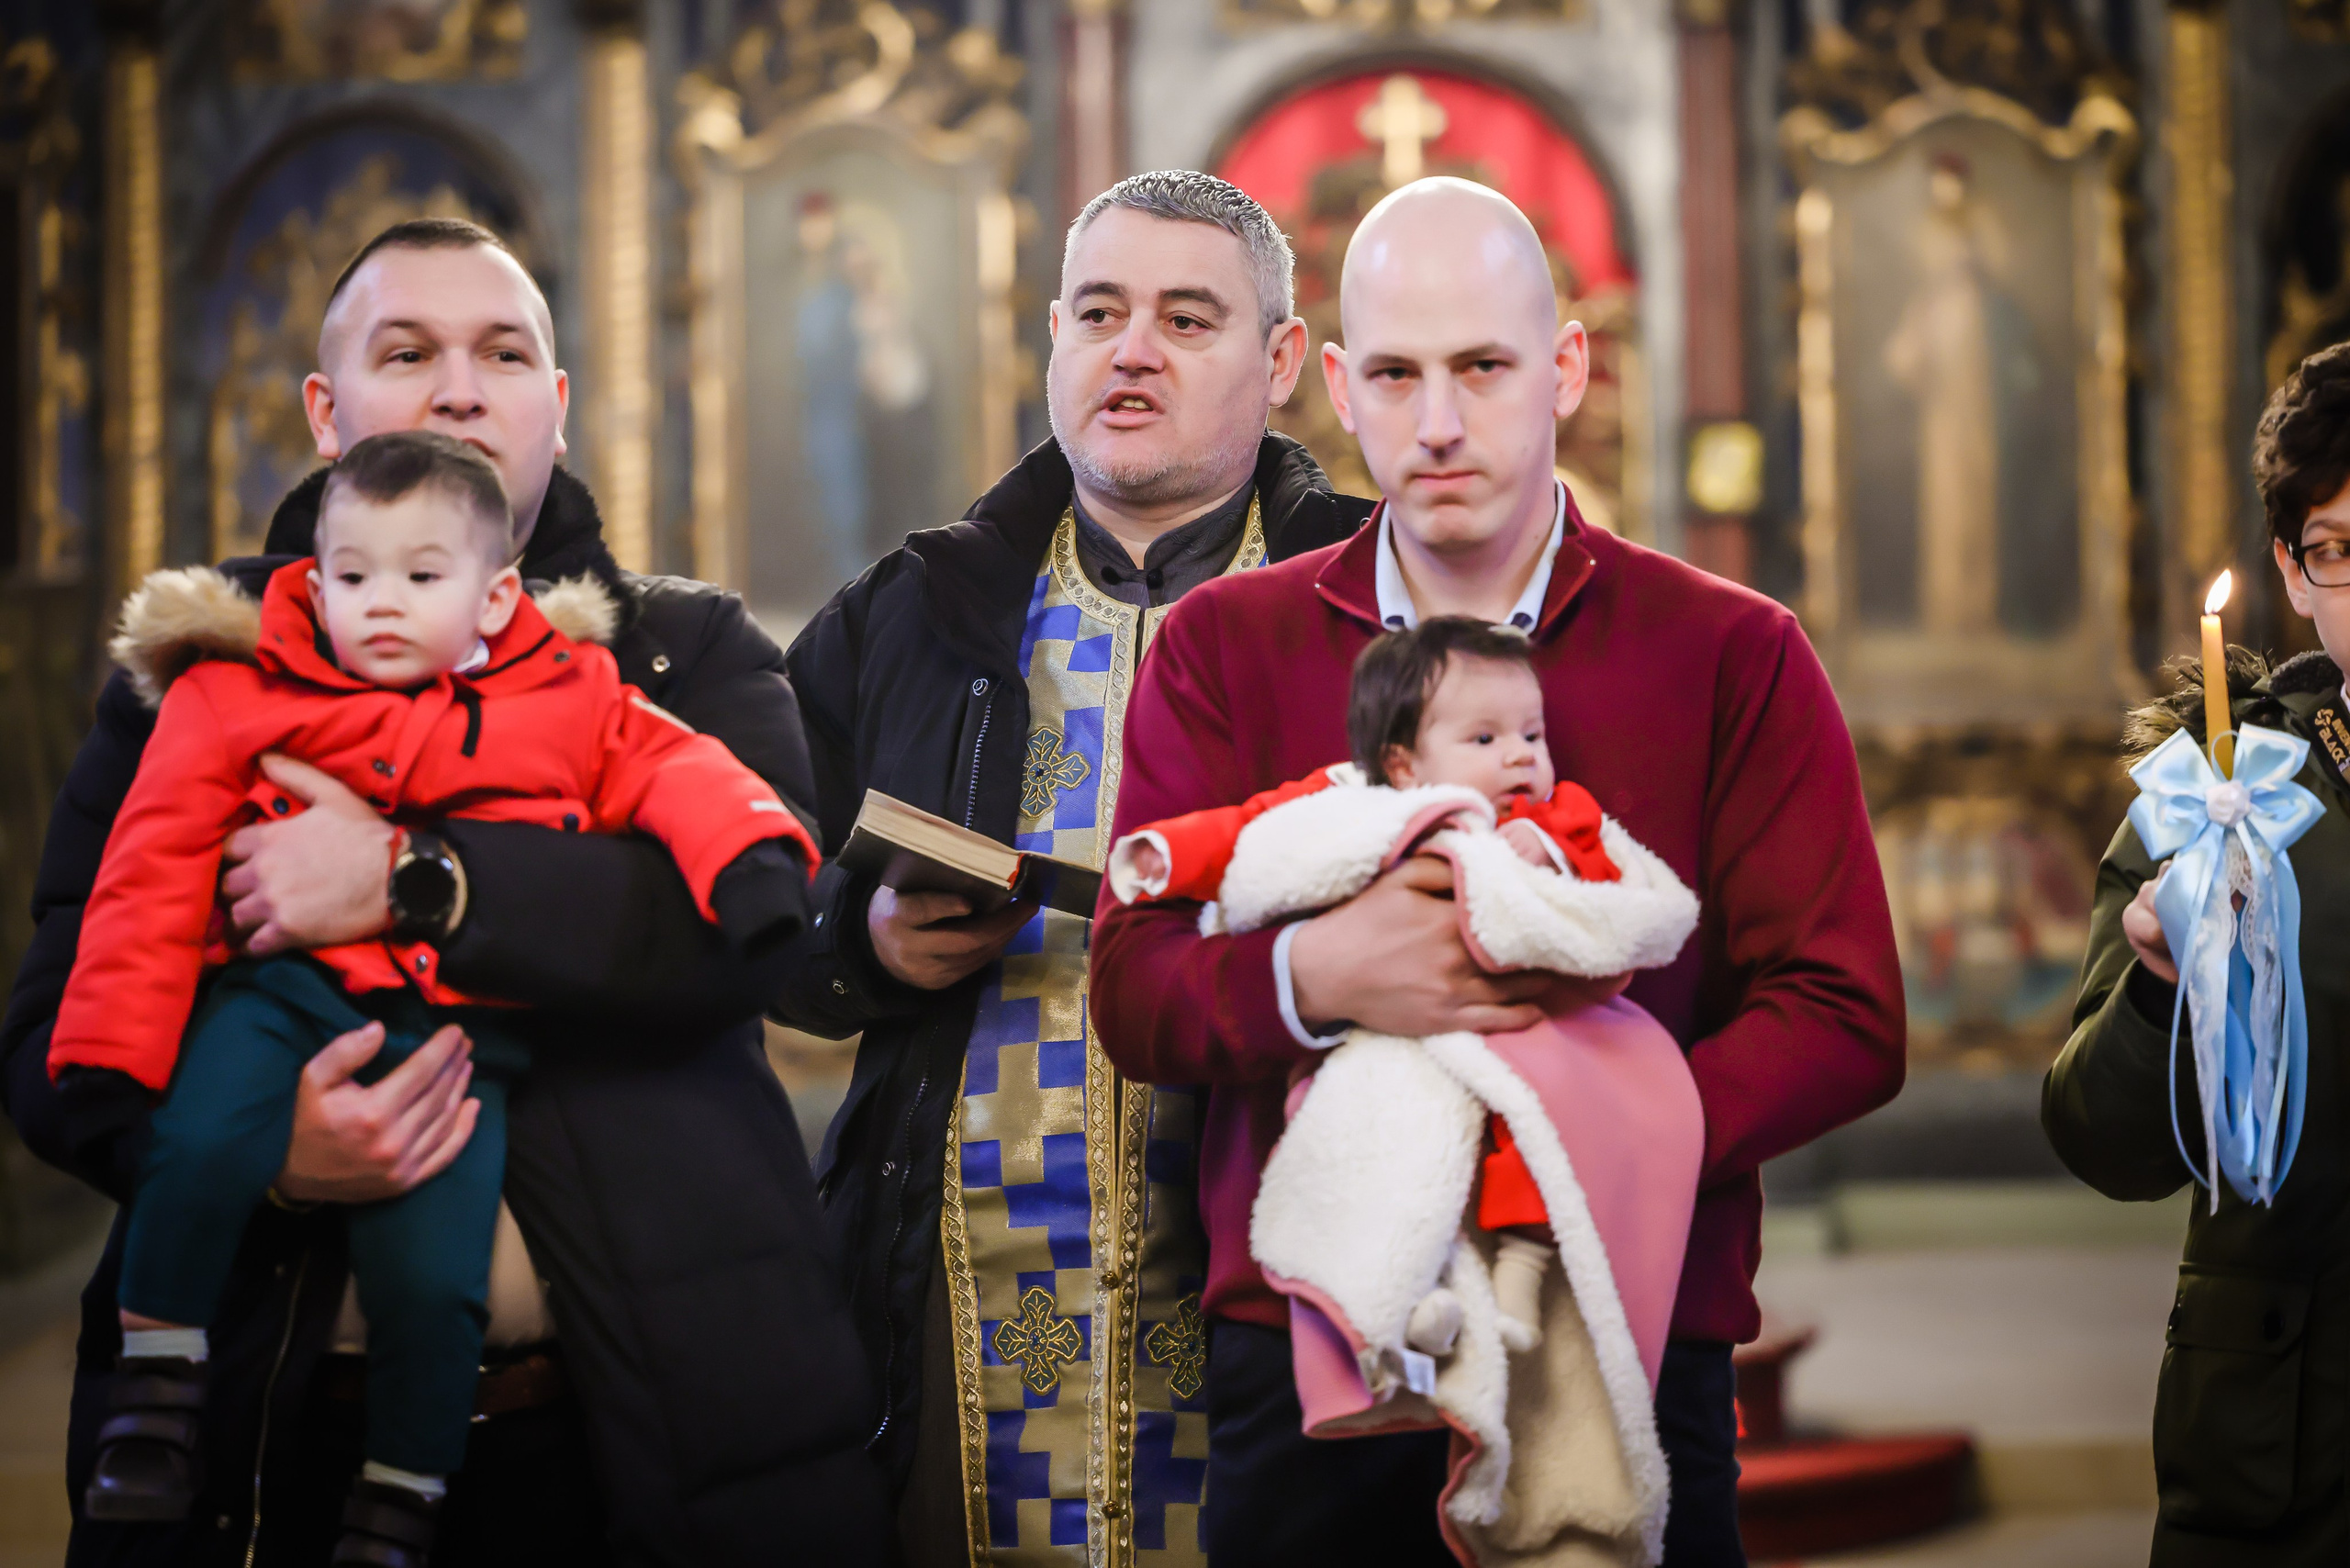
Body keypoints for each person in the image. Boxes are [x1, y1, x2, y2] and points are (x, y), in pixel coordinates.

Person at [0, 218, 890, 1566]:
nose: (461, 390)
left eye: (504, 354)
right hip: (272, 1434)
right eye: (408, 352)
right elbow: (57, 1028)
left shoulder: (685, 650)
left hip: (647, 1427)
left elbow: (741, 940)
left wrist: (415, 884)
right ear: (326, 412)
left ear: (557, 405)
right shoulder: (207, 663)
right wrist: (262, 1155)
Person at [1090, 176, 1906, 1567]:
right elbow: (1135, 987)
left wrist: (1595, 1139)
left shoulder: (1731, 650)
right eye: (1396, 375)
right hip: (1318, 1344)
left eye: (1483, 367)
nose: (1439, 423)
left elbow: (1844, 1010)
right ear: (1337, 388)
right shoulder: (1226, 644)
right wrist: (1313, 974)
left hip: (1626, 1316)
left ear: (1567, 368)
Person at [776, 170, 1370, 1564]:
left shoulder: (1371, 601)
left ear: (1282, 358)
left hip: (1287, 1278)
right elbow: (746, 900)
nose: (1132, 351)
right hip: (957, 1295)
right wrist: (863, 939)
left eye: (1186, 319)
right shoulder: (916, 610)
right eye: (1099, 314)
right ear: (1054, 338)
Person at [2045, 340, 2350, 1565]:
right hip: (2294, 1440)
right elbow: (2102, 1142)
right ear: (2293, 572)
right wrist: (2158, 983)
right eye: (2340, 548)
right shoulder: (2222, 794)